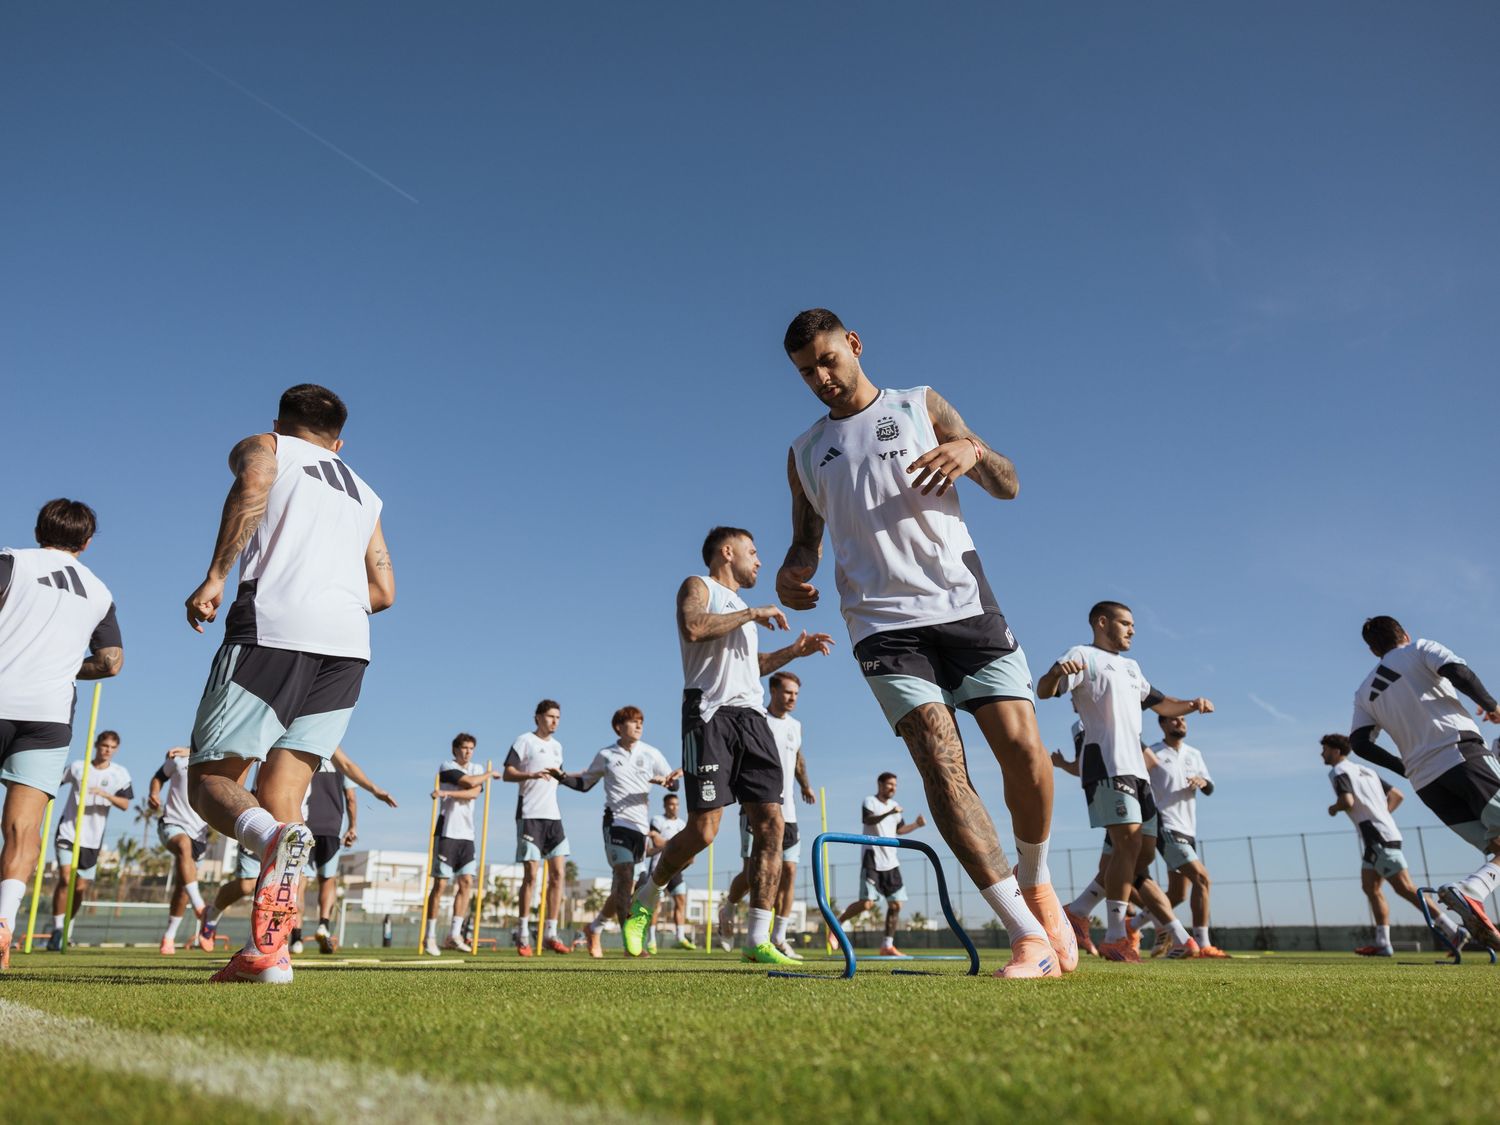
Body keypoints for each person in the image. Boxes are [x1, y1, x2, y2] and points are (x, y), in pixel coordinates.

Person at [777, 309, 1070, 978]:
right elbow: (804, 543)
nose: (820, 378)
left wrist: (971, 452)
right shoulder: (803, 452)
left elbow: (1009, 482)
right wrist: (792, 573)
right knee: (940, 760)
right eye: (805, 372)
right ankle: (1028, 937)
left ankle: (1037, 880)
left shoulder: (918, 404)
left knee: (1023, 751)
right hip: (881, 624)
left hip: (965, 605)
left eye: (828, 360)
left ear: (854, 344)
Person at [184, 384, 394, 984]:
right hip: (349, 648)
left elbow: (252, 486)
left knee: (210, 784)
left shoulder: (268, 445)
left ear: (279, 421)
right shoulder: (365, 492)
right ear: (339, 441)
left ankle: (272, 846)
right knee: (285, 794)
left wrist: (216, 575)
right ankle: (270, 954)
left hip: (273, 628)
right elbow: (384, 592)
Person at [622, 526, 832, 965]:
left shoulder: (741, 611)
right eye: (753, 552)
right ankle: (647, 894)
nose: (759, 561)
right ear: (727, 551)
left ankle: (758, 939)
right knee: (704, 831)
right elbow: (695, 627)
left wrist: (794, 652)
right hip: (708, 716)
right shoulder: (699, 586)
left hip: (751, 718)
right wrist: (753, 614)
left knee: (772, 823)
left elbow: (750, 667)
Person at [1037, 600, 1213, 962]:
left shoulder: (1132, 667)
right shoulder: (1082, 655)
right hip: (1107, 766)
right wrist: (1056, 673)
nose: (1132, 630)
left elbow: (1163, 704)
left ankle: (1080, 910)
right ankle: (1116, 934)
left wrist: (1192, 704)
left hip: (1137, 771)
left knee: (1141, 855)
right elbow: (1044, 690)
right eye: (1125, 623)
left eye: (1133, 625)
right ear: (1102, 623)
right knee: (1128, 844)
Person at [0, 499, 123, 970]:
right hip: (49, 716)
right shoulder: (99, 591)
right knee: (23, 828)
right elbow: (111, 662)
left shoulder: (12, 562)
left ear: (37, 529)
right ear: (87, 543)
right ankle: (5, 921)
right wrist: (67, 665)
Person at [1347, 616, 1500, 950]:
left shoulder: (1364, 691)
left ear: (1374, 650)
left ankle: (1474, 892)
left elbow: (1358, 742)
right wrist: (1491, 705)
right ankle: (1471, 892)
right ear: (1404, 633)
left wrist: (1404, 767)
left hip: (1427, 783)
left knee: (1497, 850)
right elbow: (1458, 671)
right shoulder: (1420, 648)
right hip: (1461, 755)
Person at [1321, 733, 1466, 956]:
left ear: (1336, 751)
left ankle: (1453, 930)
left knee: (1405, 888)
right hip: (1379, 835)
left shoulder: (1338, 771)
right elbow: (1397, 795)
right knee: (1370, 887)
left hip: (1377, 836)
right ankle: (1383, 943)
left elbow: (1347, 801)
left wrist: (1333, 808)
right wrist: (1383, 816)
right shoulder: (1366, 770)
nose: (1323, 753)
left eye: (1325, 749)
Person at [564, 706, 681, 957]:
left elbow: (675, 783)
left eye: (641, 722)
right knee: (625, 875)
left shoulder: (651, 753)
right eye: (633, 722)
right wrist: (560, 777)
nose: (639, 726)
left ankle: (594, 927)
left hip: (640, 828)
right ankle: (631, 946)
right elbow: (584, 784)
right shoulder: (606, 755)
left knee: (628, 887)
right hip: (616, 823)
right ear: (619, 727)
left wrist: (669, 781)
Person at [718, 670, 817, 959]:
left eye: (796, 694)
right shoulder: (756, 719)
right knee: (753, 875)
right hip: (757, 807)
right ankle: (730, 906)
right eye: (787, 692)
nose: (792, 698)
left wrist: (806, 786)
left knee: (788, 872)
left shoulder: (796, 726)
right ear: (772, 691)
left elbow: (798, 759)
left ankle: (778, 937)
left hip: (790, 813)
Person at [1147, 715, 1229, 958]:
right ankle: (1203, 944)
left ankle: (1133, 926)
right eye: (1174, 719)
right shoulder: (1153, 753)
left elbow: (1210, 788)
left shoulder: (1194, 753)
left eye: (1183, 719)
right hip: (1165, 825)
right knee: (1202, 878)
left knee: (1177, 894)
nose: (1180, 723)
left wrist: (1202, 781)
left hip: (1189, 829)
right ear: (1162, 724)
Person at [306, 747, 397, 954]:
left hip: (304, 825)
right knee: (328, 879)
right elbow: (351, 798)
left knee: (300, 883)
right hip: (331, 829)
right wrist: (352, 827)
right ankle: (323, 925)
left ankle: (295, 938)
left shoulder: (304, 756)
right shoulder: (338, 760)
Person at [47, 729, 132, 950]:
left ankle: (67, 928)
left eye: (112, 748)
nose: (108, 751)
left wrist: (105, 795)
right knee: (66, 879)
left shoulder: (120, 774)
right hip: (68, 831)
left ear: (117, 750)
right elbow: (54, 781)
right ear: (97, 745)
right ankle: (56, 930)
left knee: (80, 888)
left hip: (92, 839)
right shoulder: (78, 767)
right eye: (105, 746)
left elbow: (125, 804)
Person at [505, 700, 576, 956]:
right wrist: (530, 775)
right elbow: (507, 773)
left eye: (558, 716)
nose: (555, 721)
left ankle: (551, 933)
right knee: (531, 876)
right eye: (550, 716)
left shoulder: (557, 747)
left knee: (558, 875)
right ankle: (523, 934)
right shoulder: (524, 741)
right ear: (538, 718)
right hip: (529, 816)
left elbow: (561, 777)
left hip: (553, 818)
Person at [834, 772, 926, 957]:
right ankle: (837, 922)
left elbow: (900, 830)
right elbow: (868, 820)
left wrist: (916, 824)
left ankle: (887, 945)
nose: (893, 788)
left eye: (895, 785)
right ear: (880, 784)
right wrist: (890, 813)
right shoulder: (870, 802)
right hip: (872, 858)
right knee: (867, 904)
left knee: (896, 904)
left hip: (891, 861)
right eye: (889, 784)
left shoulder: (894, 806)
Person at [424, 733, 499, 956]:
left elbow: (475, 793)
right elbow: (470, 783)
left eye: (471, 748)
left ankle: (454, 934)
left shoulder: (477, 768)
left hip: (467, 835)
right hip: (447, 832)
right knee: (440, 885)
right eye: (464, 748)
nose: (468, 752)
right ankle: (429, 936)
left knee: (466, 882)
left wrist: (447, 792)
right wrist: (488, 775)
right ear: (455, 749)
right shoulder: (447, 766)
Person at [150, 746, 214, 955]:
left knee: (182, 889)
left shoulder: (217, 761)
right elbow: (158, 777)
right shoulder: (178, 760)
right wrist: (154, 793)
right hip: (172, 824)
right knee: (182, 844)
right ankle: (201, 908)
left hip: (200, 834)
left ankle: (169, 937)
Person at [647, 793, 690, 951]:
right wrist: (677, 846)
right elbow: (656, 841)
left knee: (681, 901)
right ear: (665, 805)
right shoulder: (658, 820)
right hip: (659, 867)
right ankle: (651, 940)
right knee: (655, 905)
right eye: (671, 804)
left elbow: (688, 847)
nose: (674, 807)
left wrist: (672, 845)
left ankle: (680, 937)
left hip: (677, 869)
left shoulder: (682, 823)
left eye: (677, 804)